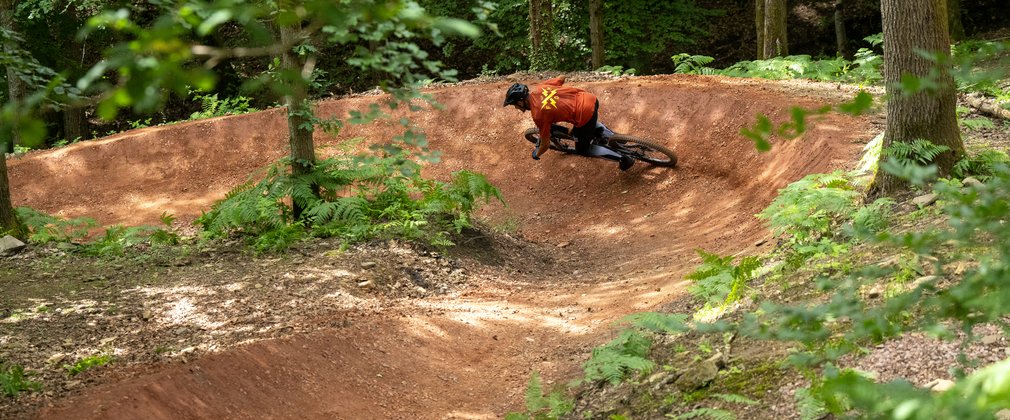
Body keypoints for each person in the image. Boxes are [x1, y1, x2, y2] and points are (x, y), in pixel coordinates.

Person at [502, 76, 634, 171]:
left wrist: (537, 154)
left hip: (584, 114)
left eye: (514, 105)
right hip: (590, 98)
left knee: (583, 149)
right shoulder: (541, 87)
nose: (516, 108)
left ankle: (624, 158)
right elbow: (562, 77)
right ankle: (616, 137)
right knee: (586, 123)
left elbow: (545, 144)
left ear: (520, 102)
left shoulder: (538, 115)